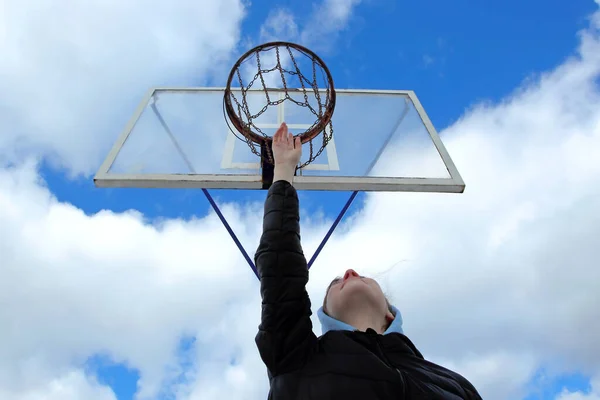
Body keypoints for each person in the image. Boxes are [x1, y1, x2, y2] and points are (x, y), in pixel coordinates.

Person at [255, 122, 482, 399]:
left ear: (390, 313)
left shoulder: (455, 383)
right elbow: (280, 266)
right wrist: (283, 171)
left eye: (354, 276)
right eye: (335, 284)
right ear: (326, 319)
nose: (349, 272)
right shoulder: (297, 356)